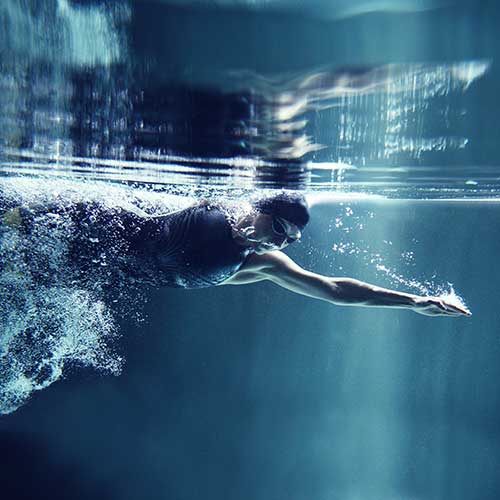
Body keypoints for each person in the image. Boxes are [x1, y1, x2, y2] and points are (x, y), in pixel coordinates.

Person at [1, 191, 470, 316]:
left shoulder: (261, 263)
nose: (280, 243)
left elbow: (332, 290)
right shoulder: (211, 210)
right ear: (258, 209)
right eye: (279, 229)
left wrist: (413, 302)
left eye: (291, 240)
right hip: (96, 235)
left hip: (100, 276)